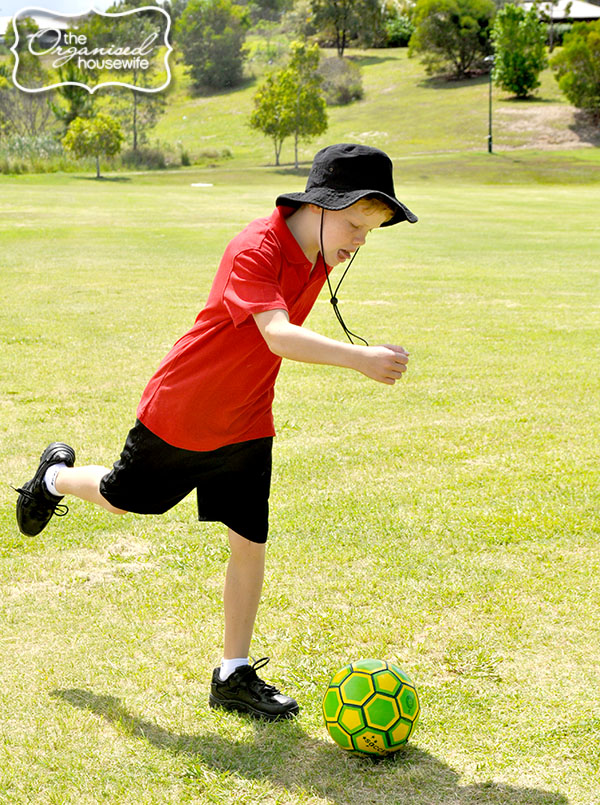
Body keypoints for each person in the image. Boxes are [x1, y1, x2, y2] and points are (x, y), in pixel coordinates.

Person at [14, 143, 418, 721]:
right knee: (123, 501)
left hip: (249, 419)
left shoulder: (321, 256)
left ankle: (233, 674)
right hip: (184, 410)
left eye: (370, 231)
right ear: (324, 205)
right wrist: (360, 359)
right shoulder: (256, 247)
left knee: (249, 540)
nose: (359, 240)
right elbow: (276, 334)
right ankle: (53, 478)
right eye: (355, 223)